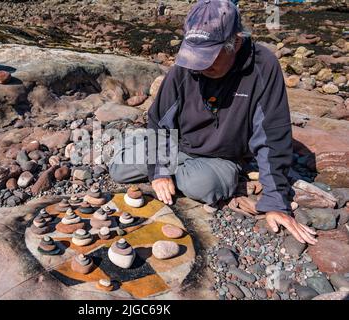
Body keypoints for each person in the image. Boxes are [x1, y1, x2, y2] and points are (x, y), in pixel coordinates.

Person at [108, 0, 317, 245]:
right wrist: (160, 171)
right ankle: (157, 155)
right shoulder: (185, 67)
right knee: (119, 168)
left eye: (208, 56)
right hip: (178, 144)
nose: (198, 64)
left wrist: (275, 201)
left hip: (220, 158)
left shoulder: (263, 66)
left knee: (203, 185)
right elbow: (160, 120)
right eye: (194, 54)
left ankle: (153, 153)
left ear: (236, 43)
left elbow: (272, 137)